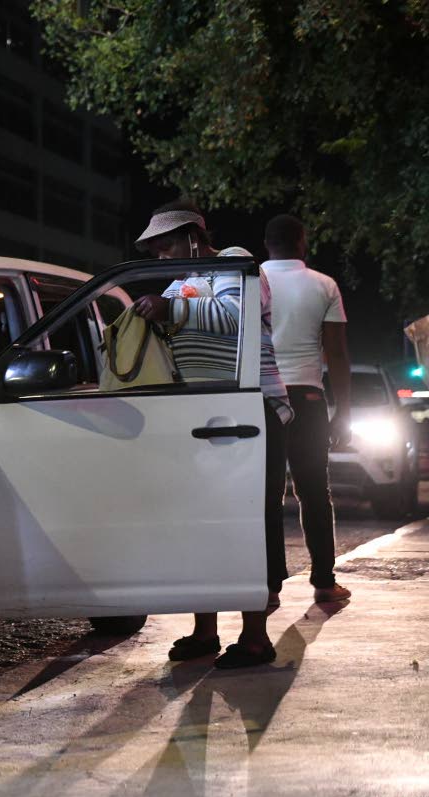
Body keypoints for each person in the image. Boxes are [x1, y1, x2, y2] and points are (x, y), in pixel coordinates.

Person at [132, 199, 291, 669]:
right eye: (155, 251)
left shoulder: (233, 262)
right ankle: (205, 631)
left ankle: (256, 637)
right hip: (204, 417)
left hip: (250, 413)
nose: (161, 257)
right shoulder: (182, 282)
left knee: (248, 523)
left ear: (192, 237)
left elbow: (234, 316)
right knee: (204, 525)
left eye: (166, 246)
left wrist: (170, 308)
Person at [261, 214, 352, 603]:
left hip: (261, 396)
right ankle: (324, 581)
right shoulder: (323, 284)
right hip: (307, 397)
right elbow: (337, 353)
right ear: (302, 242)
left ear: (267, 244)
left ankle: (269, 587)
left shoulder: (251, 281)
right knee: (314, 489)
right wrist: (343, 410)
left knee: (266, 493)